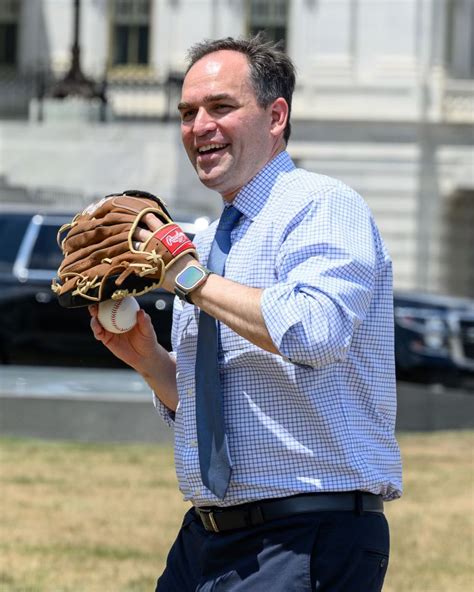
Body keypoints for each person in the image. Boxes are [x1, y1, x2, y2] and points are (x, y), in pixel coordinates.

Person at [89, 34, 402, 592]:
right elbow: (212, 404)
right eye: (188, 112)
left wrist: (191, 279)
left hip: (305, 535)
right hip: (206, 538)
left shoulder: (322, 205)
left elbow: (313, 330)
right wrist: (147, 358)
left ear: (276, 116)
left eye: (221, 107)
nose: (198, 125)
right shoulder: (207, 242)